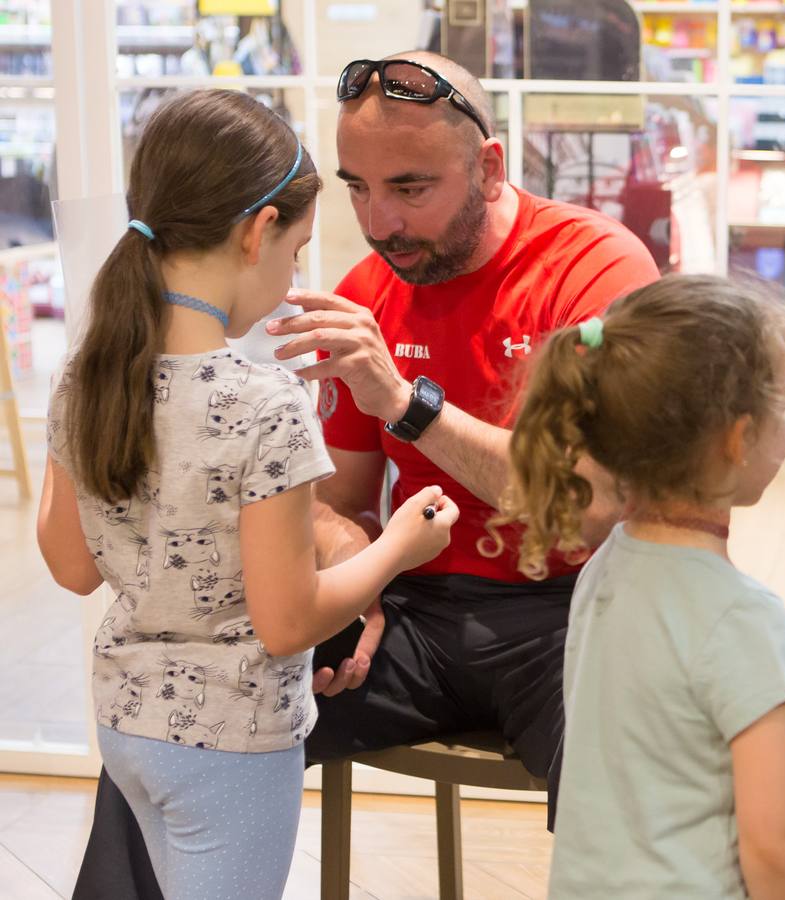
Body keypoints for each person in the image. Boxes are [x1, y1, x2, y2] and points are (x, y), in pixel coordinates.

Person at [71, 52, 658, 899]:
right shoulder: (366, 290)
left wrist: (402, 402)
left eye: (411, 188)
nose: (379, 222)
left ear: (489, 169)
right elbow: (336, 503)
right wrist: (360, 570)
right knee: (190, 701)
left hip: (573, 611)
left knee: (634, 762)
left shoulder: (594, 268)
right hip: (412, 610)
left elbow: (590, 506)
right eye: (356, 188)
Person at [37, 90, 456, 900]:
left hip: (125, 728)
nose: (294, 273)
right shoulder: (266, 404)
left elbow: (72, 568)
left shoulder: (85, 373)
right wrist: (400, 546)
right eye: (296, 250)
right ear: (257, 231)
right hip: (233, 743)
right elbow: (288, 618)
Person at [492, 274, 785, 899]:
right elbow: (773, 843)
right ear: (738, 439)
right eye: (781, 403)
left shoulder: (602, 567)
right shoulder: (742, 616)